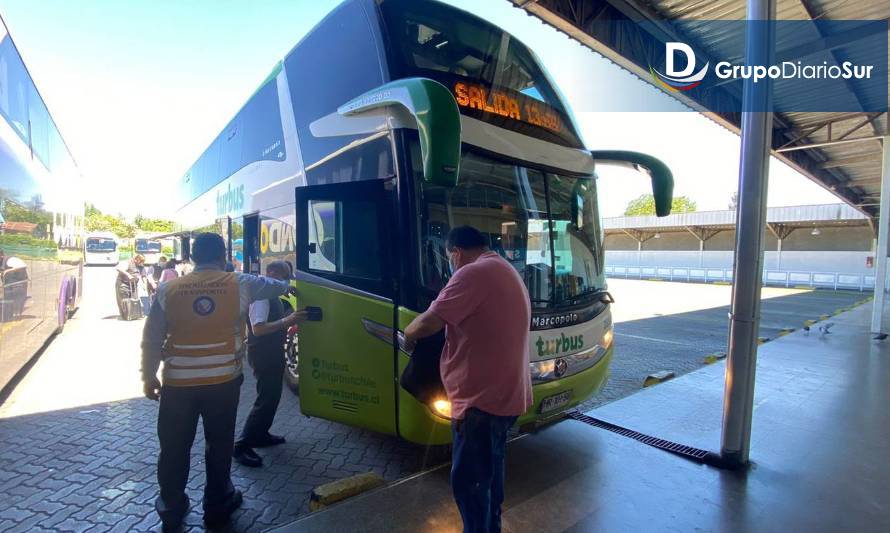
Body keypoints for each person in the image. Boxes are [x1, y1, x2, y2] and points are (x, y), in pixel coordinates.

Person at [140, 233, 298, 530]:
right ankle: (217, 502)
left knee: (174, 447)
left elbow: (152, 338)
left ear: (192, 257)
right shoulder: (241, 282)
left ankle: (172, 506)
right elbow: (281, 285)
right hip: (223, 383)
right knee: (219, 444)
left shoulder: (168, 289)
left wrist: (148, 376)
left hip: (177, 385)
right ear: (223, 255)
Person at [403, 226, 532, 533]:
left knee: (470, 485)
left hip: (481, 403)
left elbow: (429, 321)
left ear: (456, 252)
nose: (450, 263)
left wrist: (408, 334)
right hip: (507, 395)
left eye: (449, 257)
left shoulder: (472, 274)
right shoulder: (503, 268)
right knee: (490, 477)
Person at [233, 260, 302, 467]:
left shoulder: (271, 293)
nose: (286, 281)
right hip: (262, 352)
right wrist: (287, 321)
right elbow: (258, 329)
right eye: (284, 277)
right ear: (272, 273)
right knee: (266, 398)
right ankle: (241, 445)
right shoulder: (261, 297)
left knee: (272, 397)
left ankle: (261, 434)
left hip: (270, 351)